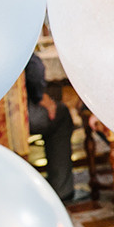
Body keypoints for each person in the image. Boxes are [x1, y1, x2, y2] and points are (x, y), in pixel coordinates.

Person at [25, 52, 75, 203]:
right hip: (17, 115)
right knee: (61, 115)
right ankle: (61, 190)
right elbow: (35, 67)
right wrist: (39, 96)